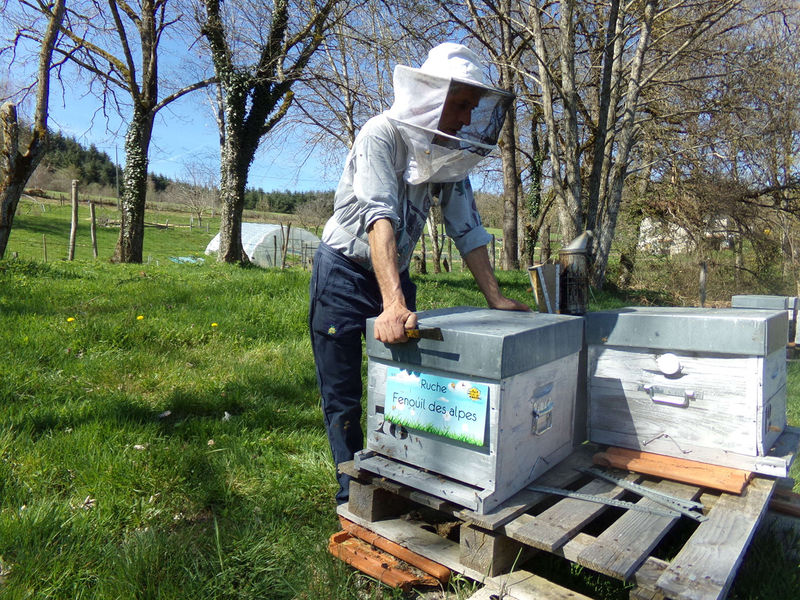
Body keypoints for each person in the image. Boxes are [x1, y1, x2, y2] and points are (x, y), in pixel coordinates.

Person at [308, 42, 529, 504]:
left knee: (406, 383)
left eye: (473, 107)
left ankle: (403, 477)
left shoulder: (447, 155)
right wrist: (393, 302)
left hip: (395, 274)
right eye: (461, 105)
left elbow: (466, 227)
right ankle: (352, 494)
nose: (468, 119)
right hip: (344, 273)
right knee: (344, 392)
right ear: (431, 96)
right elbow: (379, 217)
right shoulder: (380, 135)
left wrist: (495, 297)